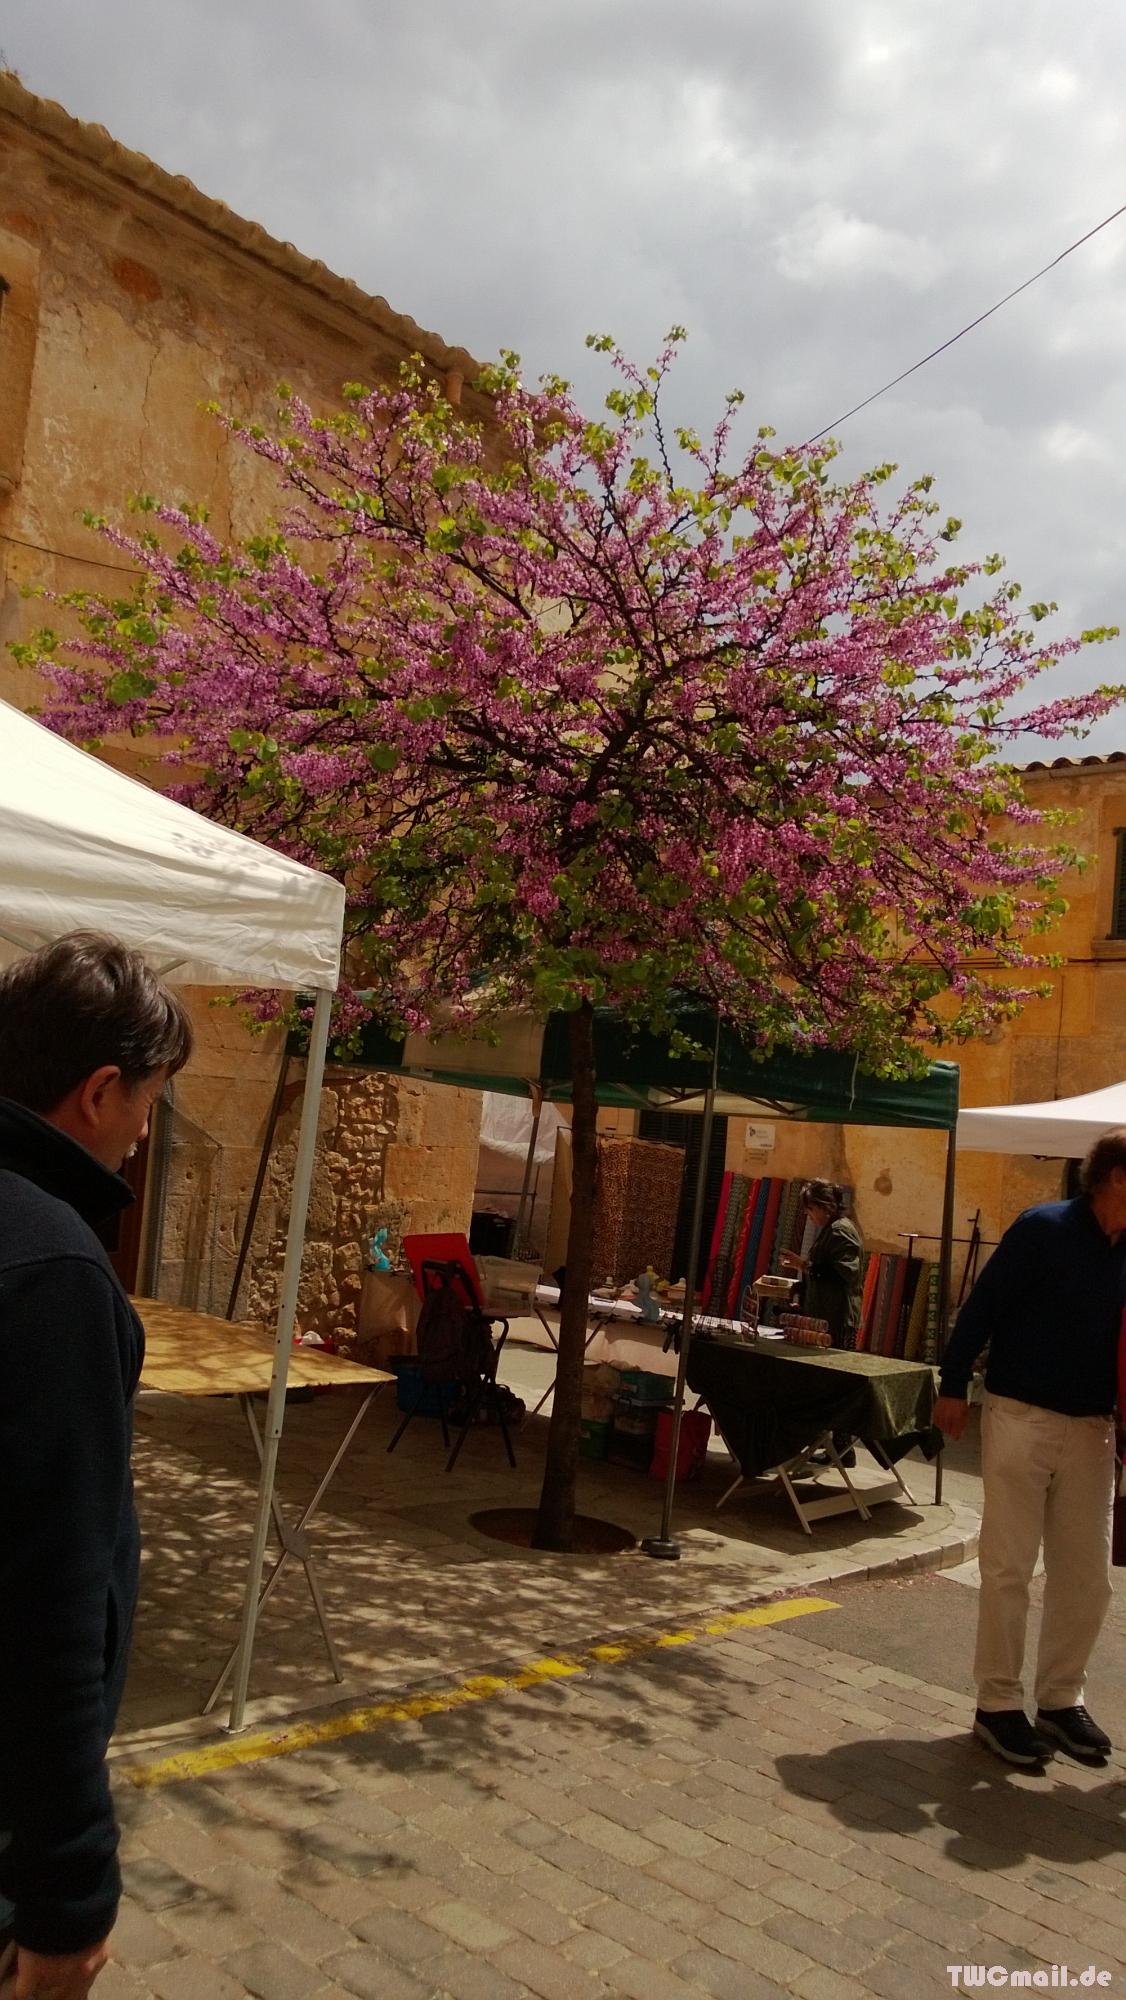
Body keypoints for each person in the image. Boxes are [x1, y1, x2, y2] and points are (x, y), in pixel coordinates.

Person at [0, 934, 192, 1998]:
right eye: (148, 1102)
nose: (145, 1131)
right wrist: (70, 1888)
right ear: (100, 1090)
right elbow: (51, 1599)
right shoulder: (55, 1269)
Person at [934, 1130, 1126, 1769]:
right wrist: (953, 1384)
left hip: (1094, 1428)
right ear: (1117, 1178)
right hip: (1021, 1414)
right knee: (1009, 1567)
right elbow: (982, 1306)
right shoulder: (1042, 1228)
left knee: (1087, 1577)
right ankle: (997, 1705)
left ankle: (1061, 1700)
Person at [780, 1180, 866, 1466]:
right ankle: (837, 1447)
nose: (809, 1216)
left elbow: (844, 1273)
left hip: (838, 1319)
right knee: (829, 1383)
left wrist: (804, 1265)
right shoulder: (831, 1230)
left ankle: (841, 1447)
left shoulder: (841, 1231)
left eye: (810, 1210)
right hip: (826, 1315)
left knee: (836, 1384)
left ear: (824, 1206)